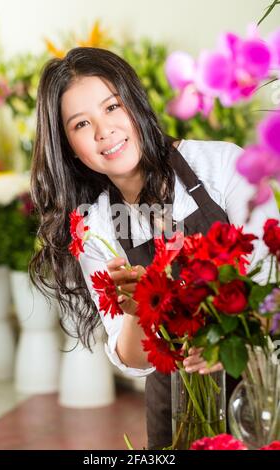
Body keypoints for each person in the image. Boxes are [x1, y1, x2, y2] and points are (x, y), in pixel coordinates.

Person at [30, 47, 279, 449]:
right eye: (81, 124)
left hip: (259, 394)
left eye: (112, 106)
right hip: (175, 414)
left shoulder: (222, 167)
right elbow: (133, 360)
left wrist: (227, 341)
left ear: (135, 101)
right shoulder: (94, 228)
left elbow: (274, 292)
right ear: (69, 147)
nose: (103, 131)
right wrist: (136, 312)